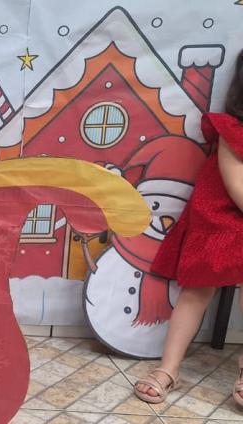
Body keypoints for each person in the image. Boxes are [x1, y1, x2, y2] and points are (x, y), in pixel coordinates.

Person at [134, 51, 243, 404]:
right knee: (197, 290)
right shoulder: (233, 129)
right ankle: (169, 368)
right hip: (221, 217)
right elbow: (237, 187)